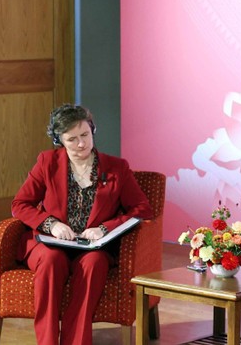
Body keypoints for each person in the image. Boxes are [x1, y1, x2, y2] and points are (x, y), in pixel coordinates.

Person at [11, 104, 153, 345]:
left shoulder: (117, 168)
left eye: (85, 135)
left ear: (93, 130)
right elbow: (20, 204)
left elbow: (142, 208)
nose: (80, 144)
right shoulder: (47, 162)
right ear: (59, 140)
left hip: (93, 248)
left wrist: (105, 228)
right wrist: (50, 223)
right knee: (51, 261)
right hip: (50, 245)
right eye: (72, 139)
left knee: (95, 264)